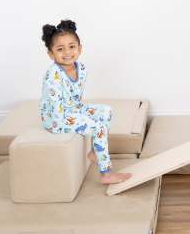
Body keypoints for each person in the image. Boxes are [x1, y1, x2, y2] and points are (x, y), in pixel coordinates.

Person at [40, 19, 131, 185]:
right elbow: (56, 106)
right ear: (51, 54)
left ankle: (95, 152)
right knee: (98, 127)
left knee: (106, 111)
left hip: (73, 108)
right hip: (56, 118)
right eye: (60, 49)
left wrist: (80, 113)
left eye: (72, 46)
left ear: (79, 49)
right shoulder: (53, 75)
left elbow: (75, 98)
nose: (67, 52)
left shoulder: (81, 68)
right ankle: (106, 172)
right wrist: (69, 121)